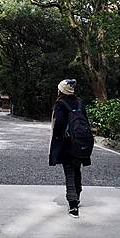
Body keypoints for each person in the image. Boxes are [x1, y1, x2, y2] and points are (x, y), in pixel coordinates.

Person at [48, 79, 92, 218]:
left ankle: (73, 204)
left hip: (67, 143)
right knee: (76, 169)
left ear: (61, 90)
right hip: (80, 142)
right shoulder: (79, 102)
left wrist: (55, 144)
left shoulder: (60, 103)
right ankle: (77, 196)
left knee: (69, 172)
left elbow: (58, 125)